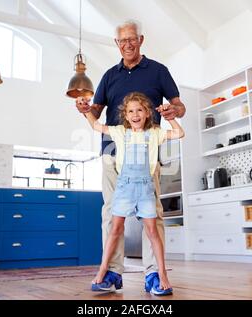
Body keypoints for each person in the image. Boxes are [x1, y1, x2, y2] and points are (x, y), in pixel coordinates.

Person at [76, 19, 186, 293]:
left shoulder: (159, 71)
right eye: (122, 40)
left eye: (132, 39)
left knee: (153, 216)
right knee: (111, 215)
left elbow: (178, 105)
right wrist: (85, 108)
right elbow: (97, 111)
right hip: (112, 153)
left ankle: (153, 274)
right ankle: (112, 272)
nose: (127, 44)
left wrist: (175, 112)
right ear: (117, 43)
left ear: (141, 40)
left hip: (148, 155)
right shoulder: (109, 75)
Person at [86, 92, 184, 295]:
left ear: (147, 113)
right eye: (131, 111)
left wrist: (170, 118)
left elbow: (179, 133)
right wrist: (88, 111)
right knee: (114, 229)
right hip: (124, 188)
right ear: (126, 114)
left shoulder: (155, 132)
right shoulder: (121, 131)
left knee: (152, 232)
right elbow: (96, 126)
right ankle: (103, 270)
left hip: (146, 189)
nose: (135, 114)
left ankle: (162, 274)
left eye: (139, 110)